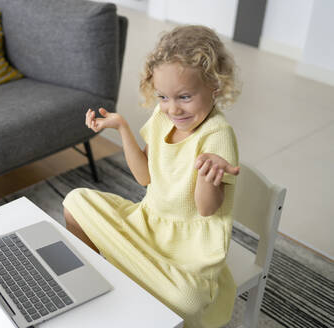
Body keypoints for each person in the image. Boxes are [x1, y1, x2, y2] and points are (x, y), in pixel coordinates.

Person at [63, 25, 241, 328]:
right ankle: (117, 281)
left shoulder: (218, 135)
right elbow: (145, 176)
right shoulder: (162, 116)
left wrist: (208, 175)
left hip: (188, 250)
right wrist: (122, 128)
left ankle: (127, 280)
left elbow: (206, 209)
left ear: (215, 85)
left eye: (184, 97)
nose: (173, 108)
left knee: (186, 299)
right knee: (75, 201)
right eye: (163, 97)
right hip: (147, 222)